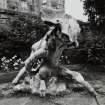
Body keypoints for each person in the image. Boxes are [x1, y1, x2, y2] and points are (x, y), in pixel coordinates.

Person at [12, 20, 97, 97]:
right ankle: (18, 79)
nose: (66, 41)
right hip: (44, 65)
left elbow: (74, 44)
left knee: (74, 74)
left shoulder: (63, 44)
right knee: (42, 71)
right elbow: (28, 62)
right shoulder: (45, 49)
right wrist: (29, 73)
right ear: (57, 34)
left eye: (67, 39)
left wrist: (74, 42)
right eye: (64, 37)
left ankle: (87, 86)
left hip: (56, 67)